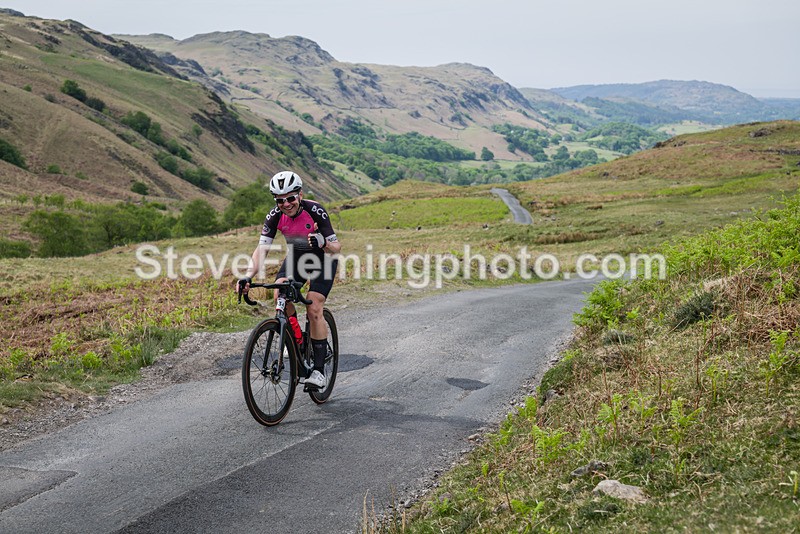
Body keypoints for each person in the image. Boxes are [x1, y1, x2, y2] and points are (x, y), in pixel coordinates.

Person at [238, 171, 341, 388]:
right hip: (298, 257)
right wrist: (248, 275)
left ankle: (319, 372)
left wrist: (322, 241)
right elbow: (261, 249)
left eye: (290, 198)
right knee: (280, 292)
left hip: (324, 258)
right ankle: (297, 339)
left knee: (313, 307)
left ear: (300, 195)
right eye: (280, 200)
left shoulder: (316, 211)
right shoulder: (274, 216)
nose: (286, 204)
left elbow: (336, 248)